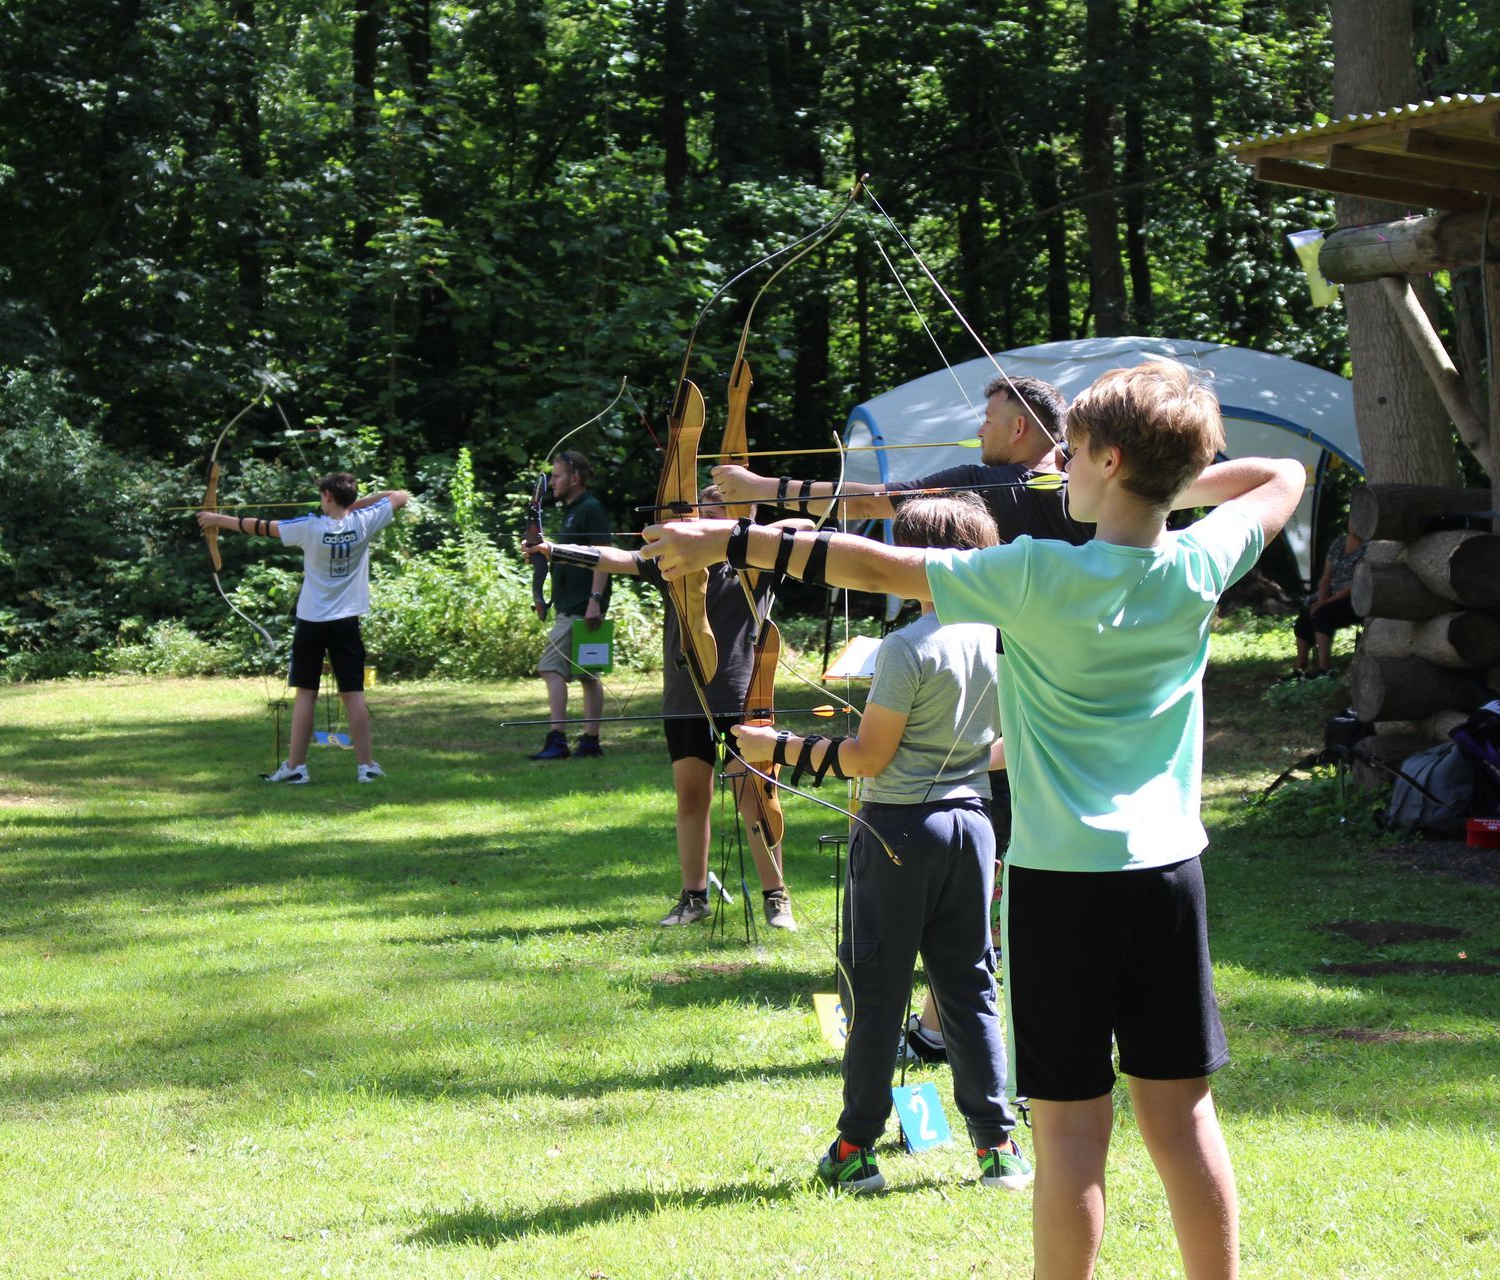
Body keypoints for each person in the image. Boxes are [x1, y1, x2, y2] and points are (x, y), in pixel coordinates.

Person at [642, 359, 1304, 1280]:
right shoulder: (1197, 560)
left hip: (1064, 885)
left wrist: (733, 541)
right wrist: (1165, 480)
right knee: (1182, 1114)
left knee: (1072, 1127)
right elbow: (1284, 477)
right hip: (1169, 878)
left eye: (1071, 454)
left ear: (1109, 460)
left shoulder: (1035, 574)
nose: (1057, 467)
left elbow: (878, 561)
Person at [727, 493, 1029, 1195]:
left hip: (899, 831)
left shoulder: (906, 647)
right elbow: (1007, 746)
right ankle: (998, 1150)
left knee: (875, 991)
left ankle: (856, 1148)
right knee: (971, 984)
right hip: (973, 828)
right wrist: (947, 763)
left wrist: (779, 747)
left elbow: (867, 758)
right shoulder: (1000, 641)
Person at [531, 487, 804, 929]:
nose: (703, 522)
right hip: (686, 697)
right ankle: (694, 898)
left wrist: (738, 529)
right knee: (690, 798)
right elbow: (616, 558)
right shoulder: (675, 562)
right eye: (705, 513)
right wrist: (555, 550)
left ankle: (777, 897)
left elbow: (804, 528)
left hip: (745, 695)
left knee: (756, 800)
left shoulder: (760, 558)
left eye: (723, 514)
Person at [196, 472, 410, 784]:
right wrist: (352, 506)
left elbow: (259, 527)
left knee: (306, 693)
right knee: (353, 694)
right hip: (346, 621)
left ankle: (296, 767)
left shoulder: (309, 527)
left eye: (323, 495)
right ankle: (367, 767)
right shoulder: (365, 522)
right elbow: (399, 495)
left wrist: (215, 518)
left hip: (312, 621)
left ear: (327, 497)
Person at [709, 374, 1089, 544]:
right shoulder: (1094, 484)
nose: (979, 432)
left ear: (1018, 428)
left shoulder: (981, 483)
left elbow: (864, 502)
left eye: (988, 421)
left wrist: (761, 488)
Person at [528, 451, 613, 761]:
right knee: (589, 675)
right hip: (574, 604)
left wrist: (594, 601)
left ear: (575, 478)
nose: (551, 483)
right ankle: (590, 742)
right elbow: (576, 553)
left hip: (581, 606)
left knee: (550, 668)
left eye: (557, 476)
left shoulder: (590, 509)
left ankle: (558, 740)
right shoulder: (573, 510)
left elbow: (604, 556)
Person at [1288, 528, 1365, 679]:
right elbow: (1326, 578)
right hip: (1330, 595)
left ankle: (1324, 669)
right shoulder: (1339, 543)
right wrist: (1321, 601)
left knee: (1324, 614)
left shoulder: (1368, 547)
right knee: (1306, 614)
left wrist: (1325, 604)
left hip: (1354, 597)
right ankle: (1300, 669)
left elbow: (1356, 583)